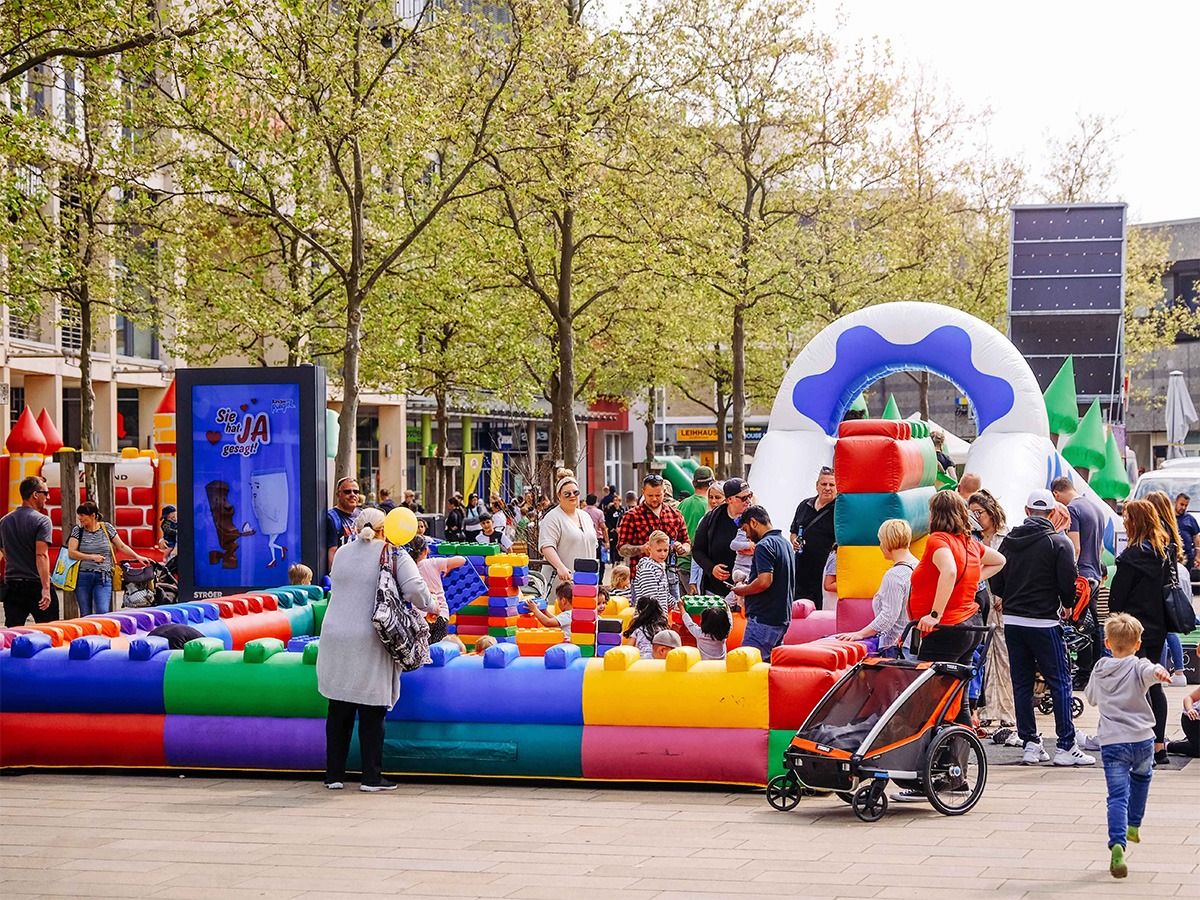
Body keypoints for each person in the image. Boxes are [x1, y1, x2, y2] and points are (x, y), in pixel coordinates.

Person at [317, 507, 434, 792]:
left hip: (334, 635)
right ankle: (371, 776)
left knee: (339, 706)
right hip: (371, 636)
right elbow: (416, 590)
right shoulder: (393, 553)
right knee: (372, 708)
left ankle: (334, 775)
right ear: (387, 528)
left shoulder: (342, 552)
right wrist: (433, 608)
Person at [988, 489, 1092, 767]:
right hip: (1044, 621)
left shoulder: (1009, 541)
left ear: (1026, 510)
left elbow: (995, 580)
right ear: (1051, 513)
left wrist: (1007, 597)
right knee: (1060, 682)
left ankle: (1031, 744)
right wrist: (1066, 603)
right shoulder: (1058, 543)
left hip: (1013, 621)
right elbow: (1067, 584)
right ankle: (1066, 745)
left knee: (1021, 683)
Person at [1083, 613, 1172, 879]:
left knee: (1117, 796)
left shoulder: (1100, 668)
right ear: (1137, 643)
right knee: (1143, 778)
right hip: (1143, 738)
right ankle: (1134, 824)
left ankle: (1118, 845)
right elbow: (1150, 671)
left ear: (1108, 643)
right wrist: (1159, 672)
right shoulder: (1139, 665)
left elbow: (1091, 699)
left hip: (1112, 741)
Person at [1107, 499, 1173, 767]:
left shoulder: (1129, 558)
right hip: (1157, 628)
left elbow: (1116, 600)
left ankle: (1140, 745)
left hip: (1132, 630)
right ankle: (1159, 745)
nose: (1124, 522)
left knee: (1136, 686)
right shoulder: (1162, 554)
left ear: (1134, 523)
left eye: (1126, 518)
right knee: (1155, 685)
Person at [968, 490, 1017, 733]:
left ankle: (1007, 711)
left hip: (1000, 602)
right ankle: (986, 709)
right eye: (973, 513)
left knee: (1005, 657)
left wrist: (1005, 595)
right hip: (978, 601)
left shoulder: (1005, 537)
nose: (977, 518)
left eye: (980, 513)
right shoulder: (972, 538)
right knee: (983, 657)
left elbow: (1012, 569)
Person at [833, 519, 916, 656]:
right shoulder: (918, 566)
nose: (880, 546)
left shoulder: (895, 575)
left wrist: (861, 633)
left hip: (896, 646)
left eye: (881, 541)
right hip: (914, 643)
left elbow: (888, 617)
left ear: (888, 542)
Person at [1051, 475, 1105, 678]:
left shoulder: (1073, 510)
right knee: (1094, 624)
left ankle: (1084, 673)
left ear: (1056, 493)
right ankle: (1096, 668)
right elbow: (1099, 547)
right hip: (1095, 574)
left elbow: (1075, 547)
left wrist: (1068, 573)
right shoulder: (1095, 507)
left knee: (1080, 624)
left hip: (1081, 576)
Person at [731, 505, 794, 661]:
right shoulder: (785, 543)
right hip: (781, 617)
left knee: (748, 666)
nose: (747, 536)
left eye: (746, 530)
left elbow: (764, 581)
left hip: (763, 618)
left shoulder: (764, 546)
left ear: (753, 522)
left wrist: (742, 590)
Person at [66, 500, 150, 617]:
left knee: (102, 611)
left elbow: (121, 546)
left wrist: (137, 556)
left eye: (83, 515)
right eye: (79, 515)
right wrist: (91, 557)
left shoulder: (107, 528)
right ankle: (88, 634)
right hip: (83, 576)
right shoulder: (77, 530)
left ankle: (101, 635)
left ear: (93, 516)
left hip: (103, 577)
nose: (80, 518)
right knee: (85, 613)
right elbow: (72, 552)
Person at [616, 474, 690, 602]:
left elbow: (687, 543)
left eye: (658, 495)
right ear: (643, 492)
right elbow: (622, 548)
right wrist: (642, 548)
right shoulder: (631, 516)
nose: (655, 499)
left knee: (673, 616)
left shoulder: (675, 514)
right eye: (650, 495)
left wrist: (681, 548)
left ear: (664, 492)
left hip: (670, 576)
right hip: (643, 579)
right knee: (645, 616)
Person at [1144, 491, 1190, 685]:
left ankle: (1159, 675)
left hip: (1153, 595)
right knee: (1165, 634)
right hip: (1167, 592)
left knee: (1158, 639)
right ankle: (1174, 672)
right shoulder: (1170, 530)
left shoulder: (1156, 532)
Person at [0, 476, 58, 626]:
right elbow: (41, 555)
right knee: (50, 631)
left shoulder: (5, 521)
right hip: (35, 584)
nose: (48, 497)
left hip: (13, 584)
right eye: (45, 493)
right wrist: (45, 588)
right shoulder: (42, 520)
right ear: (35, 495)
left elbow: (4, 550)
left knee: (13, 633)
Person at [538, 470, 599, 596]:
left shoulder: (585, 516)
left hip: (586, 579)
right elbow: (547, 546)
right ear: (559, 496)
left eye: (576, 492)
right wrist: (560, 567)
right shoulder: (552, 517)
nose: (572, 496)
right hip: (562, 581)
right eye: (567, 494)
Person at [692, 478, 754, 597]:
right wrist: (712, 568)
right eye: (743, 498)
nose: (748, 501)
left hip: (747, 589)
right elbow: (697, 550)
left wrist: (755, 548)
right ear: (729, 499)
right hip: (716, 591)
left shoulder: (756, 517)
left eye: (750, 495)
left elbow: (769, 541)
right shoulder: (712, 519)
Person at [789, 467, 838, 607]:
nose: (827, 488)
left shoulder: (840, 510)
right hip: (801, 570)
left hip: (824, 573)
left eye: (831, 485)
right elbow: (793, 531)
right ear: (817, 486)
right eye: (824, 484)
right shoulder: (804, 505)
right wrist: (794, 541)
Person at [676, 466, 716, 594]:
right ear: (712, 483)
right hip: (698, 567)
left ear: (693, 483)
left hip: (681, 563)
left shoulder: (682, 504)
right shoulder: (711, 507)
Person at [408, 535, 466, 620]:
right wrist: (448, 567)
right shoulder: (433, 562)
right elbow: (461, 560)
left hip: (420, 616)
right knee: (440, 632)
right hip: (440, 612)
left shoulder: (409, 568)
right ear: (425, 550)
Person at [325, 477, 362, 570]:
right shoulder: (332, 517)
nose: (352, 495)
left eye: (356, 492)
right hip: (344, 572)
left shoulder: (362, 515)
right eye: (347, 492)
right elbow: (332, 551)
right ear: (338, 494)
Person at [1166, 684, 1200, 758]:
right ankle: (1168, 745)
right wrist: (1190, 709)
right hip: (1193, 720)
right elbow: (1188, 698)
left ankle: (1190, 741)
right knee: (1197, 750)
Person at [582, 493, 607, 581]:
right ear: (595, 502)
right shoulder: (599, 512)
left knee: (586, 559)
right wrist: (607, 541)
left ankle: (587, 579)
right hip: (597, 539)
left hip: (584, 539)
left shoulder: (582, 512)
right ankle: (599, 580)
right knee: (599, 560)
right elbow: (603, 528)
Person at [1173, 493, 1198, 570]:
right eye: (1181, 504)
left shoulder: (1190, 519)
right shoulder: (1169, 518)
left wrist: (1198, 556)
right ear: (1175, 502)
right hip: (1173, 556)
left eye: (1186, 505)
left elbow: (1196, 537)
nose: (1183, 507)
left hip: (1187, 557)